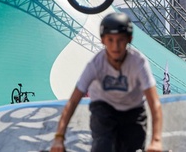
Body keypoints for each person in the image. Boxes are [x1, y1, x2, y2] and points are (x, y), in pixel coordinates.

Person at [50, 12, 163, 152]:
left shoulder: (138, 62)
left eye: (120, 40)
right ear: (103, 40)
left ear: (129, 39)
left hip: (132, 112)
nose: (115, 47)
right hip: (104, 110)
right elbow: (72, 102)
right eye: (110, 40)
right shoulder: (95, 64)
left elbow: (154, 103)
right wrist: (59, 137)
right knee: (103, 145)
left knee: (132, 146)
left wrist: (156, 141)